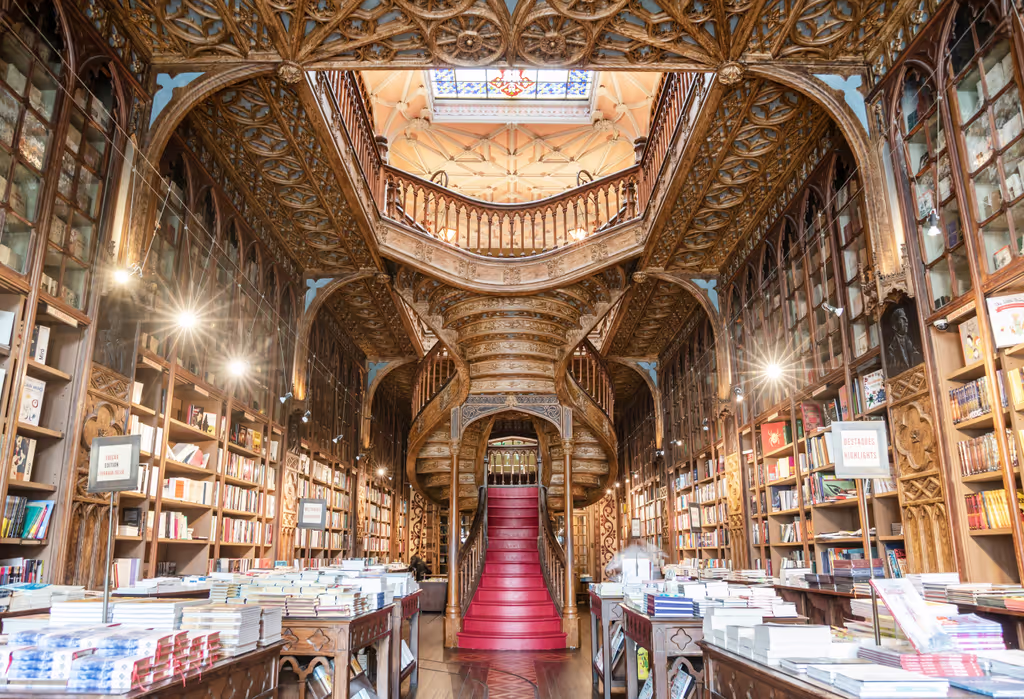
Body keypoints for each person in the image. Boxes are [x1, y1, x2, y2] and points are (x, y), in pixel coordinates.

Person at [886, 307, 922, 375]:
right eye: (903, 320)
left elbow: (916, 354)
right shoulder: (892, 348)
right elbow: (892, 367)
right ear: (895, 325)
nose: (906, 323)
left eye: (906, 320)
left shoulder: (908, 340)